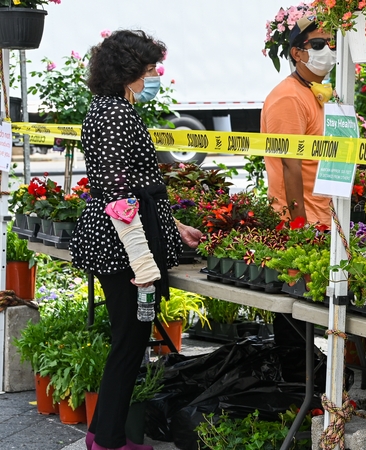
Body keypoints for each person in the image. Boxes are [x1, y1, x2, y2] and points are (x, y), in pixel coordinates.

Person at [69, 30, 203, 450]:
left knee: (130, 340)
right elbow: (118, 197)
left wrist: (174, 225)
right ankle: (107, 441)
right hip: (123, 247)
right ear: (128, 72)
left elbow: (138, 186)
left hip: (127, 241)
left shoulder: (112, 109)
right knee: (129, 342)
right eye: (148, 71)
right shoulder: (112, 114)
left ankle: (102, 434)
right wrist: (143, 263)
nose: (152, 78)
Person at [261, 16, 335, 227]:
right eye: (318, 45)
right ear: (297, 53)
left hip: (323, 218)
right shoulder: (289, 98)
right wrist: (300, 228)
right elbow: (290, 166)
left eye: (332, 44)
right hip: (305, 222)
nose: (328, 50)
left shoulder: (317, 92)